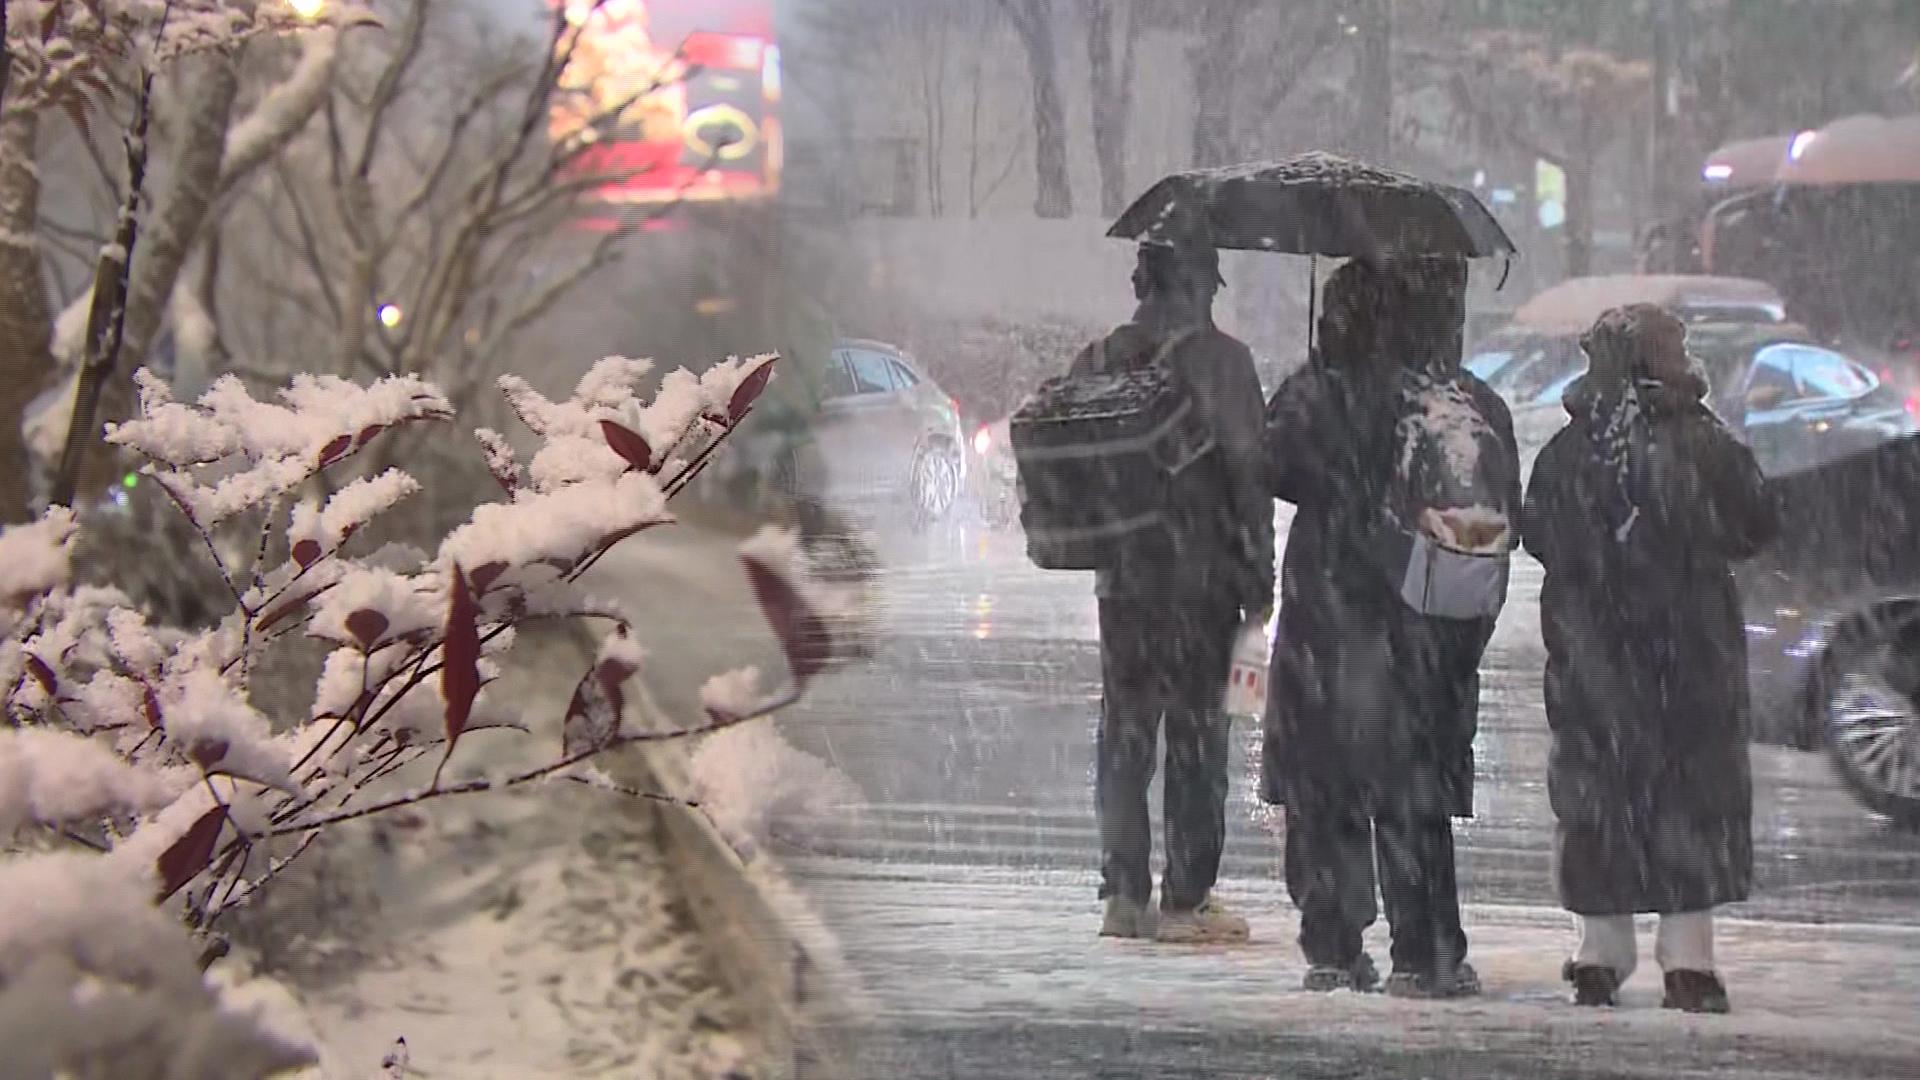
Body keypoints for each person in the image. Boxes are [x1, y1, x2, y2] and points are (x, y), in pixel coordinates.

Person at [1262, 257, 1518, 997]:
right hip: (1430, 619)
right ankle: (1428, 950)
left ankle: (1335, 945)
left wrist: (1312, 383)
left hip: (1329, 614)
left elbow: (1267, 468)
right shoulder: (1466, 401)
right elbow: (1506, 512)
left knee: (1327, 786)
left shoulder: (1320, 393)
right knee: (1415, 793)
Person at [1519, 304, 1777, 1014]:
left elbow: (1537, 531)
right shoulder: (1706, 445)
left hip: (1592, 658)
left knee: (1597, 799)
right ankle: (1688, 962)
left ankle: (1600, 954)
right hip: (1688, 656)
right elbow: (1758, 523)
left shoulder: (1569, 452)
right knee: (1690, 801)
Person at [1077, 239, 1274, 944]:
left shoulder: (1101, 358)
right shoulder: (1225, 363)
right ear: (1199, 285)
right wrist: (1260, 577)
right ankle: (1186, 899)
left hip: (1122, 583)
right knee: (1197, 737)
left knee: (1125, 737)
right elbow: (1251, 478)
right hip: (1203, 583)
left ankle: (1122, 893)